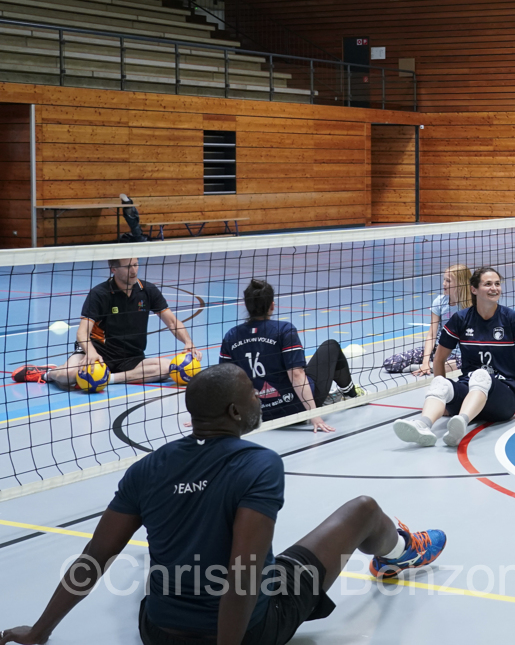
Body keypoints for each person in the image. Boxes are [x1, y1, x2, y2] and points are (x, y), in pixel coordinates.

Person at [0, 363, 446, 645]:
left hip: (157, 633)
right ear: (235, 413)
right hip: (243, 632)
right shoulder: (259, 464)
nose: (259, 397)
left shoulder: (148, 468)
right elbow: (244, 573)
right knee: (364, 508)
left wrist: (40, 632)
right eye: (251, 393)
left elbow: (94, 556)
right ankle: (399, 551)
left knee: (160, 566)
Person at [393, 266, 515, 448]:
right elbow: (439, 358)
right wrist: (446, 404)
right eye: (488, 284)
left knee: (481, 375)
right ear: (474, 289)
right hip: (468, 392)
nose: (494, 288)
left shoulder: (511, 319)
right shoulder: (461, 318)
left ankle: (461, 423)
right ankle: (423, 425)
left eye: (497, 284)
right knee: (440, 383)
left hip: (503, 399)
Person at [13, 258, 201, 391]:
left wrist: (188, 342)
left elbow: (172, 321)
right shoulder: (100, 294)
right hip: (96, 354)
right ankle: (48, 373)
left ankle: (107, 379)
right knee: (68, 375)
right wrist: (91, 352)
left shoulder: (148, 290)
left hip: (131, 357)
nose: (134, 270)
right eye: (128, 267)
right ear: (114, 269)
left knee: (168, 368)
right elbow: (82, 333)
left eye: (136, 264)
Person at [219, 279, 362, 434]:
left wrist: (213, 416)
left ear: (246, 306)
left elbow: (225, 380)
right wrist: (314, 415)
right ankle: (352, 394)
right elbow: (296, 374)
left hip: (259, 413)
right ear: (272, 306)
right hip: (295, 409)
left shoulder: (231, 335)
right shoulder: (284, 330)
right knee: (331, 346)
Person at [382, 264, 468, 375]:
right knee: (390, 363)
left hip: (460, 355)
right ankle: (430, 366)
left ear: (460, 284)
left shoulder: (471, 306)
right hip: (438, 350)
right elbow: (431, 335)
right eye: (444, 280)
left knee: (469, 362)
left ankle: (433, 366)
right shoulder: (439, 302)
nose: (444, 284)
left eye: (448, 281)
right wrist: (425, 361)